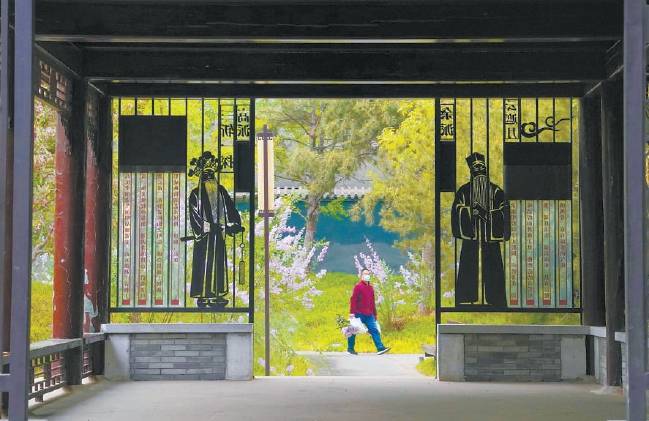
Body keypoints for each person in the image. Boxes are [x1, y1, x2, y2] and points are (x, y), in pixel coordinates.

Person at [451, 152, 510, 306]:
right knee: (468, 264)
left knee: (494, 265)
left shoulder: (495, 191)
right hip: (472, 237)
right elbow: (457, 209)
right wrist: (471, 213)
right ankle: (466, 299)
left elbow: (504, 210)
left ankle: (495, 300)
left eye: (481, 167)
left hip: (490, 238)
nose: (479, 170)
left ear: (486, 169)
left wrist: (488, 215)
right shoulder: (464, 190)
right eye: (476, 168)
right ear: (471, 171)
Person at [347, 267, 390, 355]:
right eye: (365, 274)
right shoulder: (358, 287)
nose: (367, 275)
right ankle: (350, 348)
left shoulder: (370, 288)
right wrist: (352, 313)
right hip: (358, 313)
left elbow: (372, 302)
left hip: (369, 314)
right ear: (361, 276)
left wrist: (375, 314)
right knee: (353, 330)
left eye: (368, 274)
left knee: (374, 330)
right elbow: (353, 300)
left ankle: (380, 348)